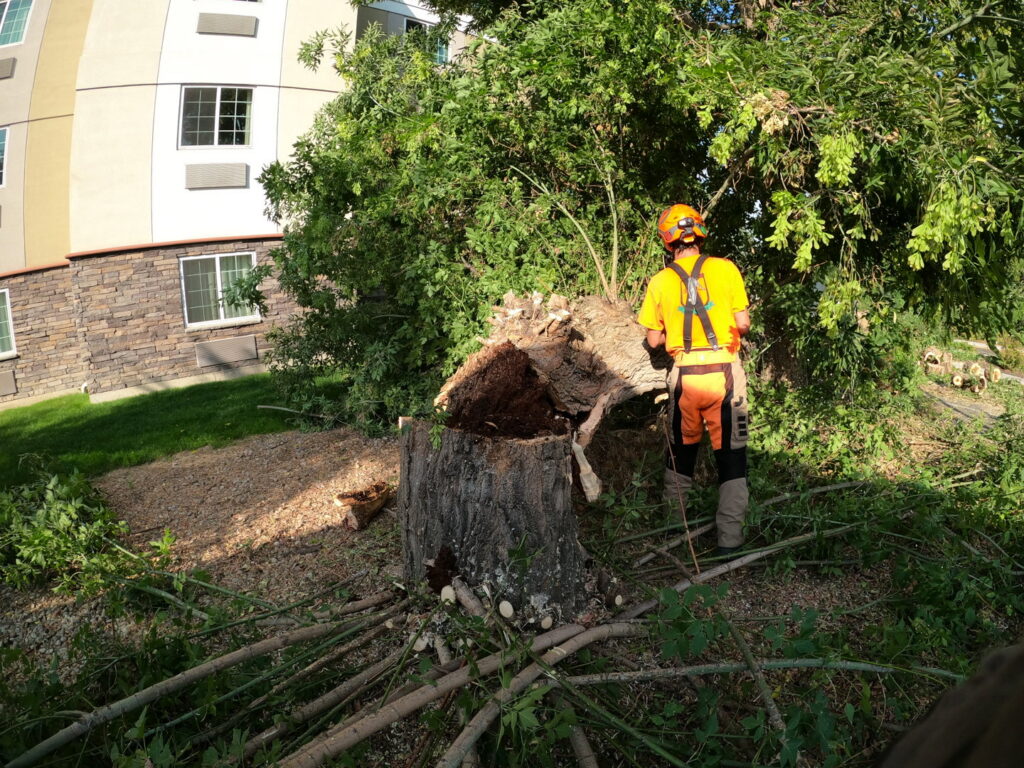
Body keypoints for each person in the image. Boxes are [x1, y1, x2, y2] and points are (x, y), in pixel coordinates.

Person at [637, 204, 751, 556]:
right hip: (726, 375)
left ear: (668, 241)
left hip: (685, 376)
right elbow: (743, 323)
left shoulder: (659, 281)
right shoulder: (726, 268)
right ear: (699, 234)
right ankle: (729, 542)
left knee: (681, 454)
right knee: (732, 458)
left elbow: (654, 340)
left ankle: (676, 532)